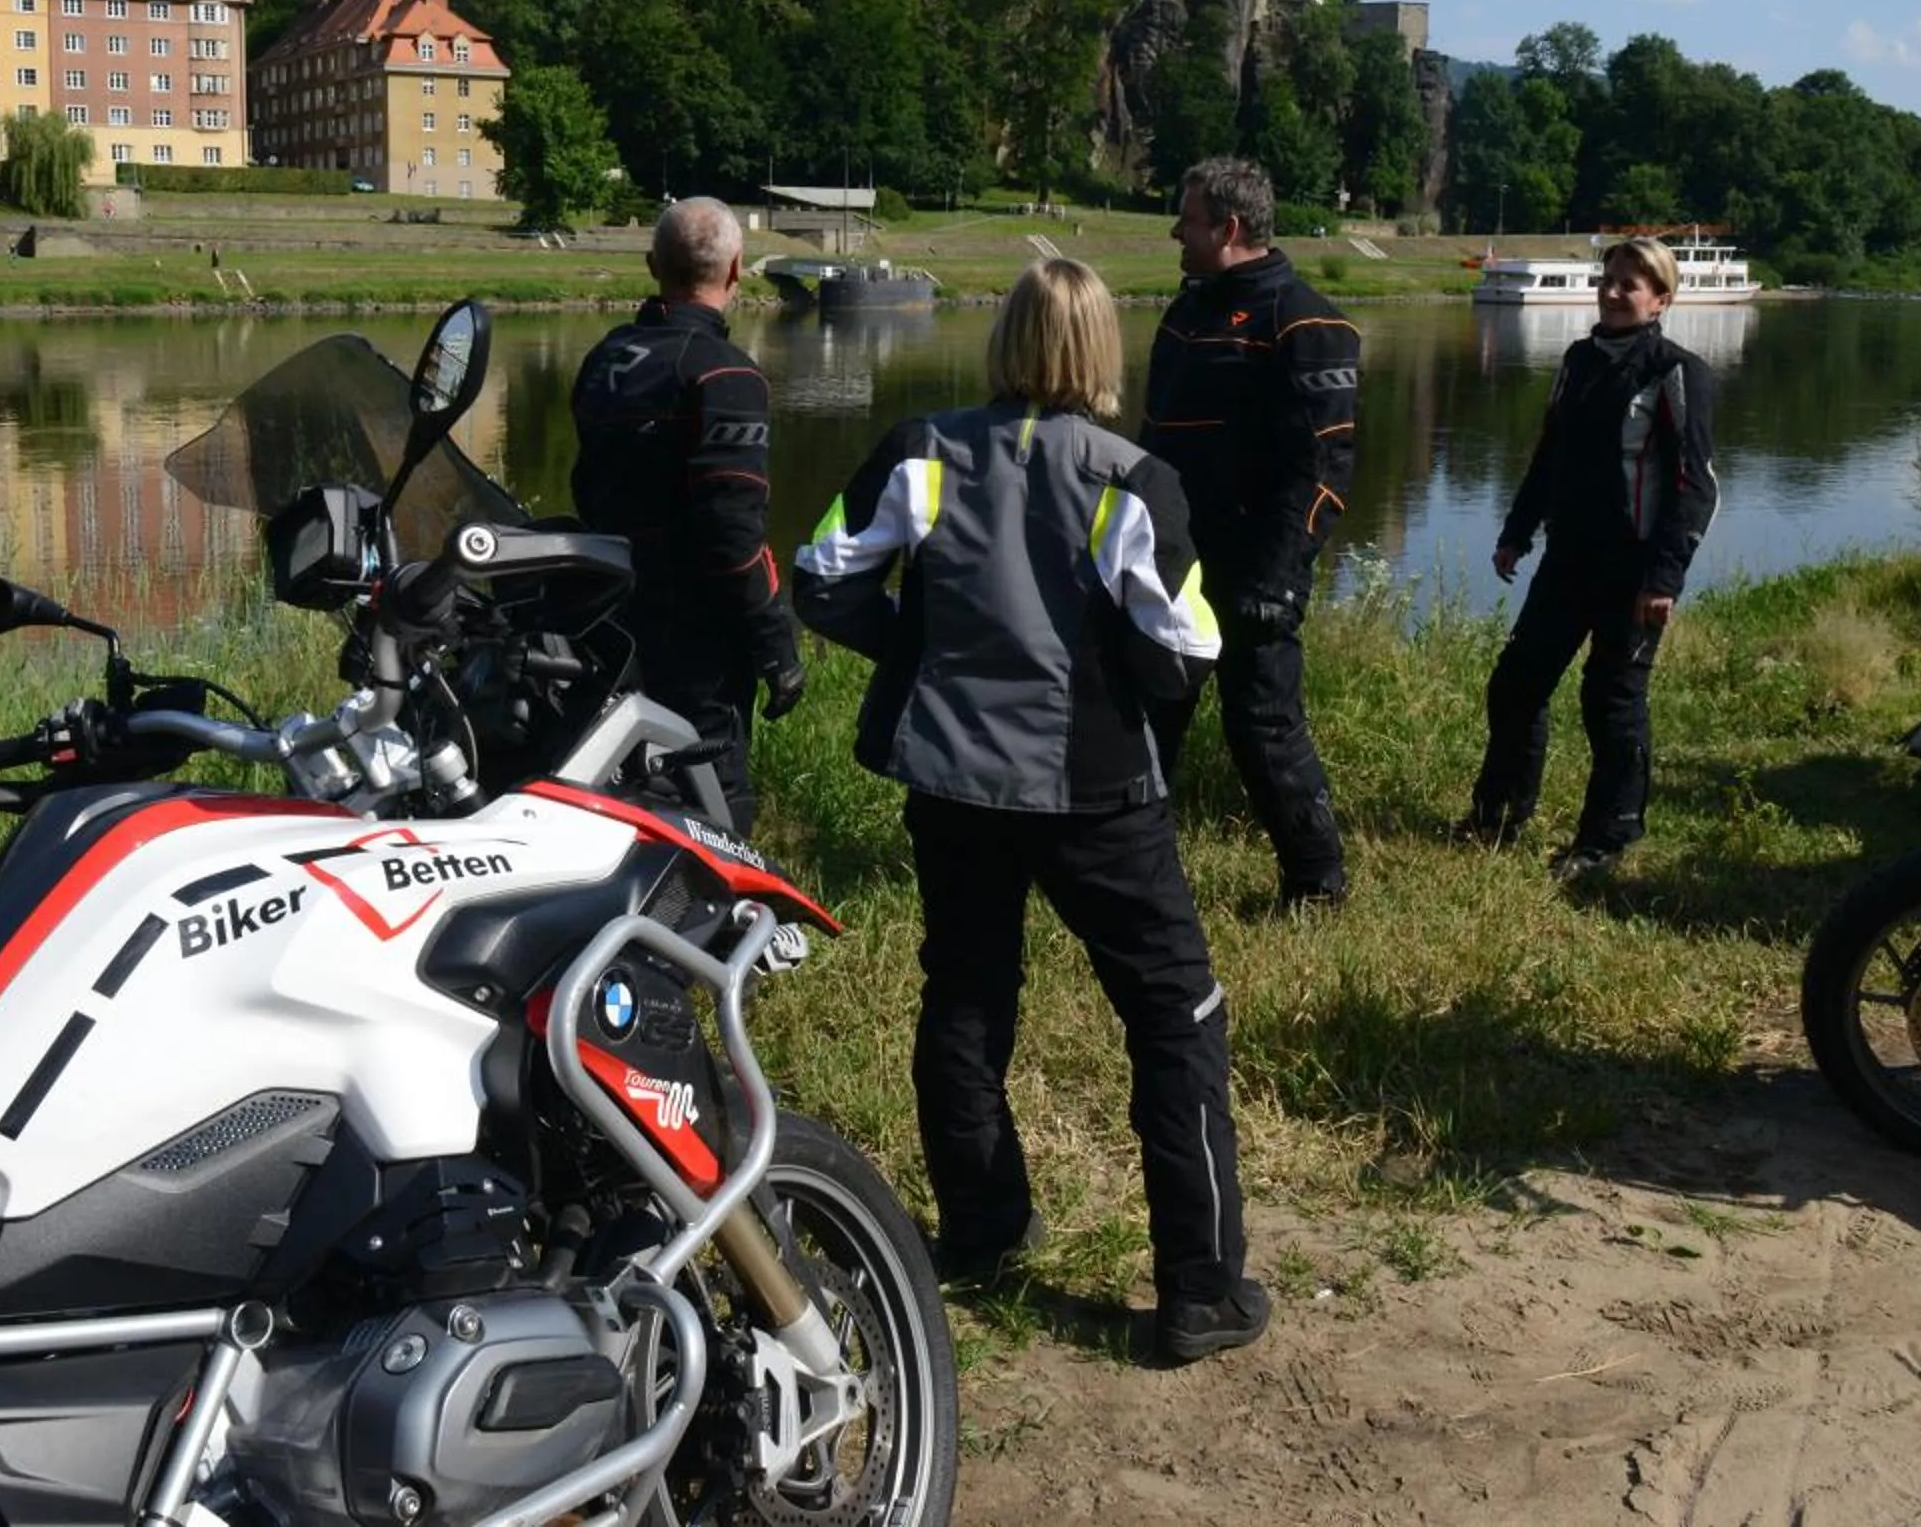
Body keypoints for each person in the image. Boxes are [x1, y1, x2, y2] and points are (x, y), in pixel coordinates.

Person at [795, 258, 1268, 1365]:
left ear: (1004, 340)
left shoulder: (922, 450)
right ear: (1103, 352)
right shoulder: (1130, 475)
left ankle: (983, 1227)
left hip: (953, 780)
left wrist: (923, 650)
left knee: (965, 991)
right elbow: (1190, 644)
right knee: (1176, 1017)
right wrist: (1115, 696)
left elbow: (820, 577)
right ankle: (1198, 1289)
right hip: (1094, 793)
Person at [1141, 157, 1361, 909]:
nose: (1176, 229)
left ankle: (1317, 882)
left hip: (1253, 569)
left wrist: (1280, 577)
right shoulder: (1184, 312)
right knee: (1145, 717)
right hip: (1167, 564)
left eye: (1188, 217)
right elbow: (1153, 444)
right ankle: (1134, 872)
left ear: (1228, 228)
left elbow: (1326, 468)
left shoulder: (1306, 321)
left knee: (1263, 724)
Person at [1466, 238, 1721, 881]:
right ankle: (1499, 814)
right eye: (1608, 279)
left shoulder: (1676, 371)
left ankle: (1605, 840)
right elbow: (1549, 455)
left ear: (1661, 299)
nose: (1612, 292)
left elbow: (1695, 487)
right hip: (1568, 559)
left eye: (1630, 284)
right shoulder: (1579, 360)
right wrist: (1516, 533)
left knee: (1611, 699)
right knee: (1517, 683)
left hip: (1634, 570)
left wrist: (1665, 577)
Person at [570, 196, 803, 833]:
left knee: (623, 790)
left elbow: (590, 487)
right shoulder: (726, 374)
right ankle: (711, 923)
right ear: (736, 270)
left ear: (652, 265)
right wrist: (775, 644)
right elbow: (731, 533)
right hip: (695, 633)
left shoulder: (606, 360)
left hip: (607, 617)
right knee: (712, 805)